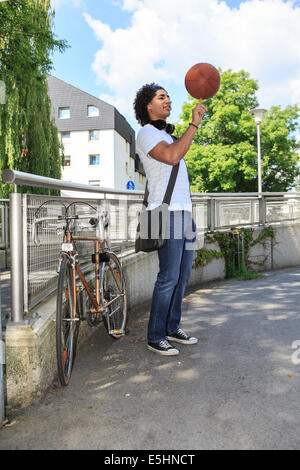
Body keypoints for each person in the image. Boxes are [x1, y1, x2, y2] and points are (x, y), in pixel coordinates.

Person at [134, 83, 207, 356]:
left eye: (168, 97)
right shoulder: (146, 133)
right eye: (161, 97)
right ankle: (155, 335)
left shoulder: (167, 135)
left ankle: (172, 327)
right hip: (163, 213)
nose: (168, 100)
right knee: (168, 277)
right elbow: (173, 156)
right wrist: (194, 125)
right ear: (148, 106)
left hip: (183, 214)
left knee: (183, 275)